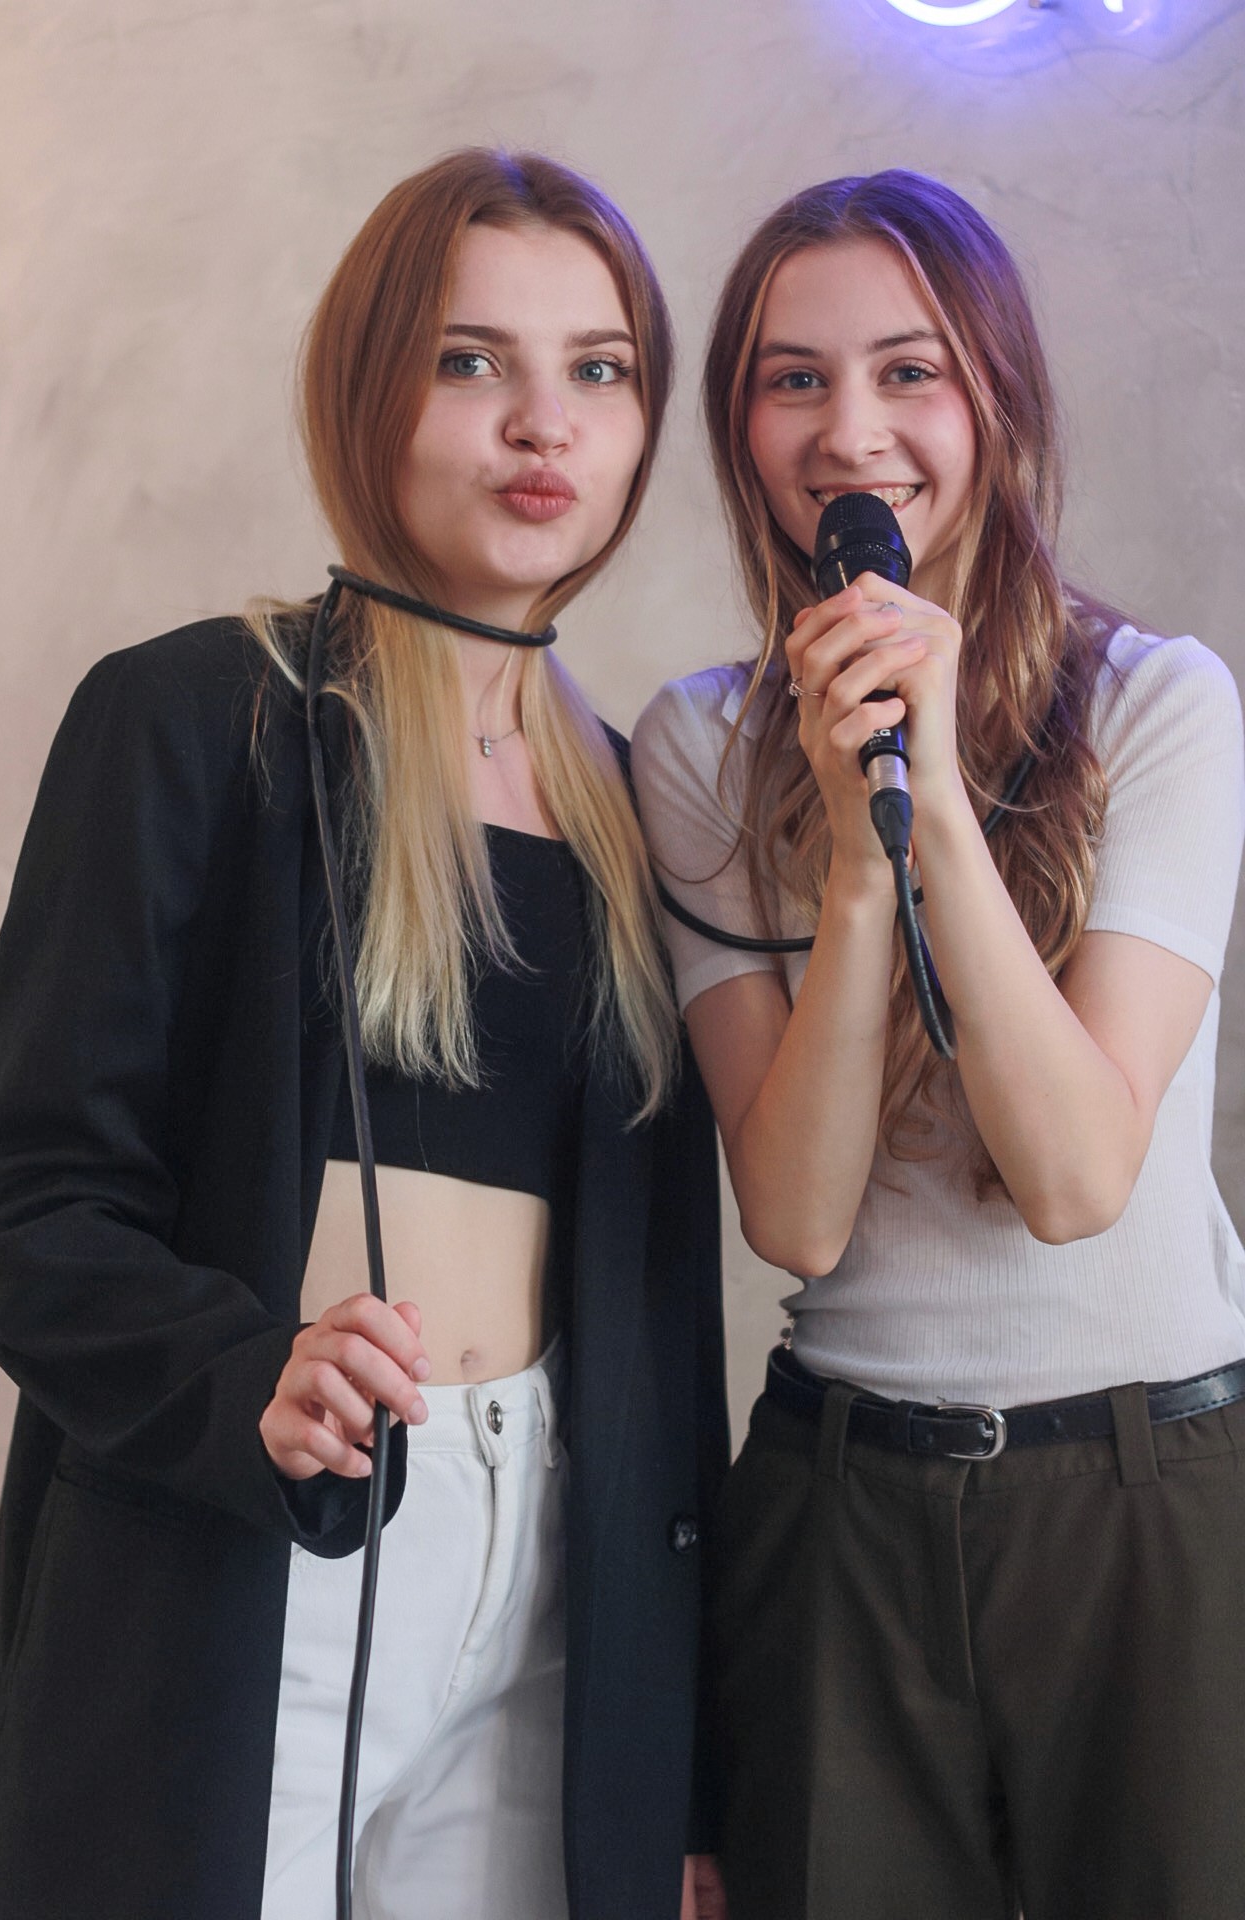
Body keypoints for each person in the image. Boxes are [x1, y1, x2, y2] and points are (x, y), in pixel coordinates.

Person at [0, 149, 728, 1920]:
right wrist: (247, 1378)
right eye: (472, 360)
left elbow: (668, 1314)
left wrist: (683, 1771)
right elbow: (20, 1192)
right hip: (257, 1551)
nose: (543, 421)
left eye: (598, 369)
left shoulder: (641, 809)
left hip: (550, 1573)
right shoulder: (194, 717)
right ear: (366, 383)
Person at [633, 169, 1245, 1920]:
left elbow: (1075, 1176)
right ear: (742, 430)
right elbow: (797, 1218)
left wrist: (938, 801)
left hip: (1152, 1500)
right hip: (845, 1517)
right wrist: (851, 859)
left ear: (999, 399)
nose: (852, 432)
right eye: (793, 379)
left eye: (910, 372)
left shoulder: (1161, 703)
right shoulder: (699, 747)